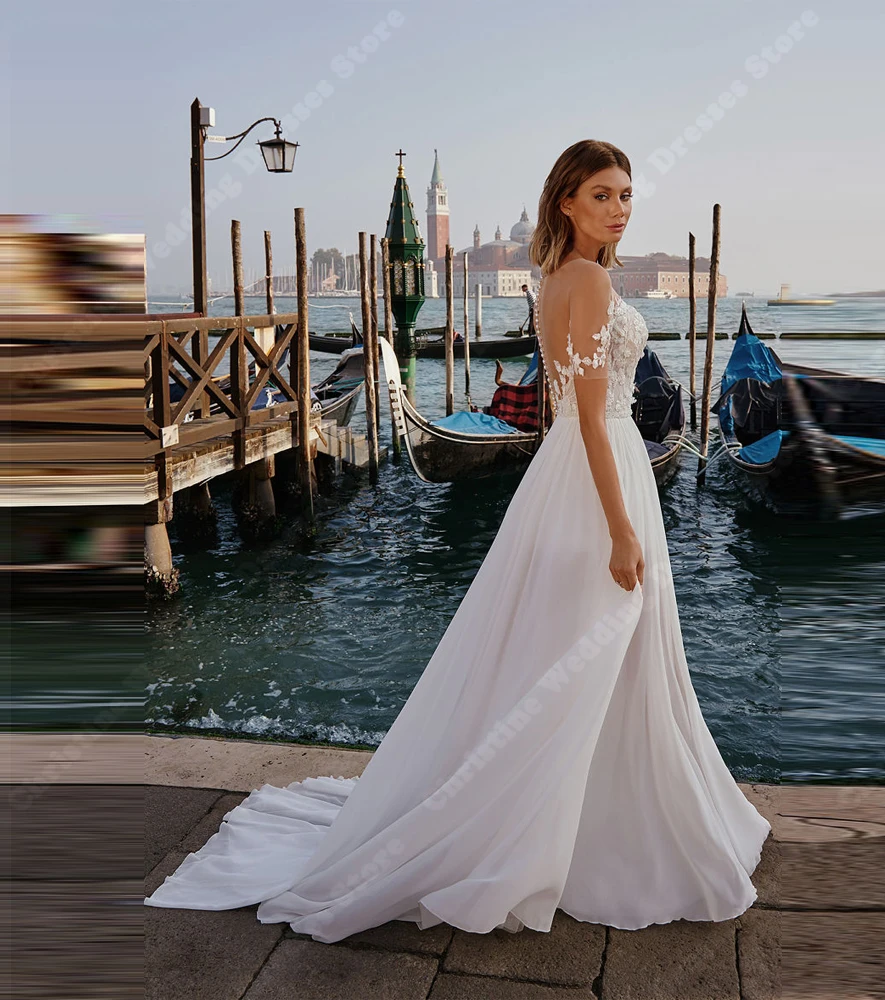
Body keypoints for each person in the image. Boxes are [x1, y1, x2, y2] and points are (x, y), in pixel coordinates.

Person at [146, 139, 772, 943]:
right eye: (605, 195)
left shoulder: (562, 279)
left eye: (626, 194)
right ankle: (590, 829)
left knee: (582, 650)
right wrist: (619, 527)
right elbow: (584, 413)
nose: (621, 207)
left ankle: (594, 818)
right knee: (600, 642)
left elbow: (567, 409)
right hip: (599, 468)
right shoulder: (584, 279)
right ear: (567, 204)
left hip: (584, 469)